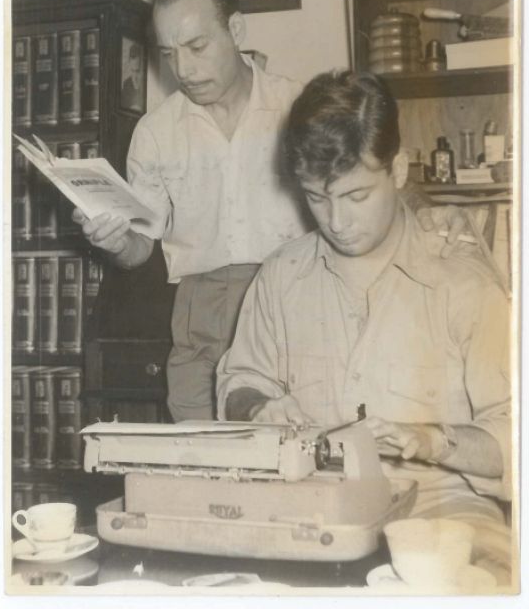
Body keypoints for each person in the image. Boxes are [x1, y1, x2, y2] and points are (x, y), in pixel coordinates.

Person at [74, 0, 465, 423]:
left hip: (297, 301)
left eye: (197, 47)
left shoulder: (296, 107)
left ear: (235, 29)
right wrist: (118, 242)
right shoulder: (155, 132)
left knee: (303, 452)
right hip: (201, 317)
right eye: (168, 53)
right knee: (204, 465)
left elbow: (367, 172)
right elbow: (142, 247)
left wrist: (431, 214)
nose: (183, 69)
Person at [216, 71, 512, 582]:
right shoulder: (281, 277)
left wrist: (436, 439)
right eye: (316, 197)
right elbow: (237, 385)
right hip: (311, 513)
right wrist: (258, 406)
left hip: (442, 514)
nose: (335, 221)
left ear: (397, 171)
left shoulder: (465, 286)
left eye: (355, 196)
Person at [121, 42, 144, 112]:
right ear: (129, 60)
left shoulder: (145, 82)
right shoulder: (126, 84)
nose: (136, 61)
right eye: (133, 57)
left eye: (138, 57)